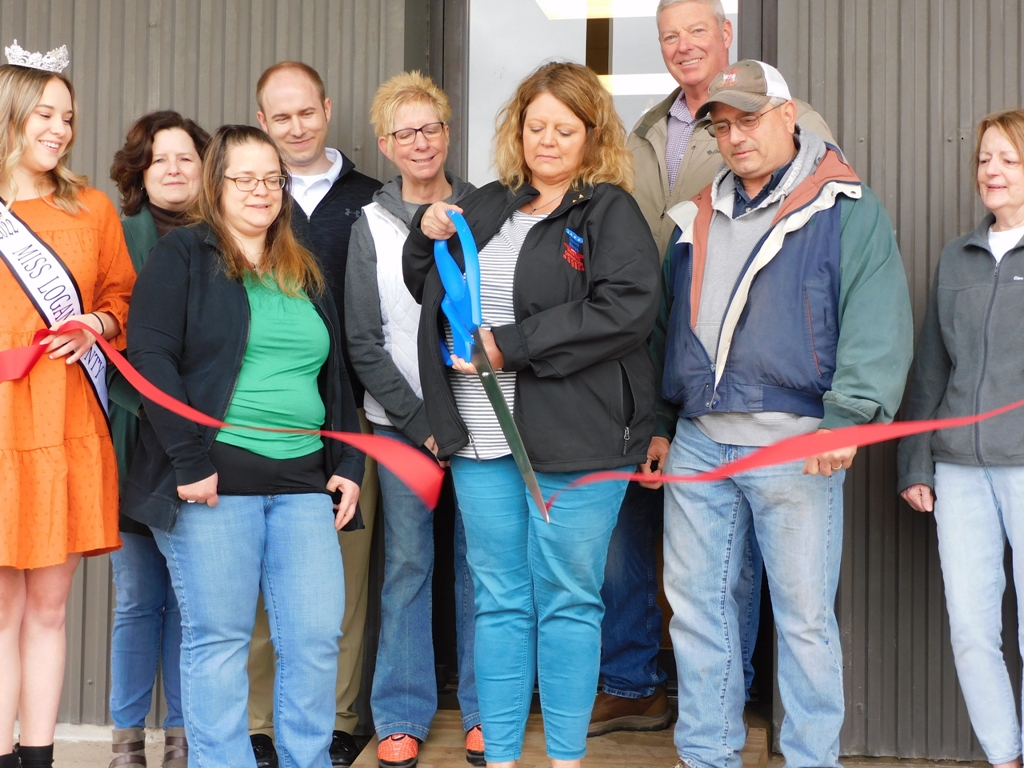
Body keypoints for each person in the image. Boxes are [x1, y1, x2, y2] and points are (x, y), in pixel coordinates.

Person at [646, 60, 913, 768]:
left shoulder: (845, 205)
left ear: (789, 115)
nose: (736, 136)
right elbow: (667, 328)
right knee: (697, 613)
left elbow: (878, 316)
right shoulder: (696, 214)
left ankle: (811, 760)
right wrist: (661, 425)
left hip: (796, 444)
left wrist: (849, 417)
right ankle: (708, 755)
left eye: (750, 119)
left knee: (802, 621)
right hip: (699, 443)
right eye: (722, 125)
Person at [592, 0, 838, 736]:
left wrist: (848, 409)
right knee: (671, 567)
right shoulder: (641, 133)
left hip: (766, 394)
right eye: (669, 36)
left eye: (697, 30)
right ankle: (651, 696)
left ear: (726, 34)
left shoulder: (801, 129)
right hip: (655, 368)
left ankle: (755, 711)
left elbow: (827, 249)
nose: (683, 45)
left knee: (774, 592)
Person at [404, 61, 660, 767]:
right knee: (498, 601)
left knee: (569, 601)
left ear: (592, 135)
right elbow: (429, 285)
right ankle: (503, 758)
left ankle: (566, 759)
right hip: (480, 438)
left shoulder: (607, 210)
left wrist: (508, 346)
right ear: (517, 130)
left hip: (577, 441)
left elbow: (627, 309)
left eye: (564, 130)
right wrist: (424, 232)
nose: (547, 141)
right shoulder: (488, 204)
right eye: (536, 126)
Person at [122, 124, 364, 768]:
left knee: (315, 638)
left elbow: (335, 374)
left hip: (303, 484)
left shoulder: (302, 265)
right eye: (245, 178)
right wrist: (190, 460)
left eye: (272, 178)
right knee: (220, 642)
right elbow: (150, 359)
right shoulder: (183, 256)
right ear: (216, 184)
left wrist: (349, 462)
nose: (261, 191)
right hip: (214, 485)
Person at [0, 55, 135, 768]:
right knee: (1, 612)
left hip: (64, 420)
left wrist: (95, 326)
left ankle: (39, 757)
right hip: (1, 423)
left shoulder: (91, 209)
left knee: (49, 609)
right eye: (45, 114)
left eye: (68, 117)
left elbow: (122, 297)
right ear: (10, 117)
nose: (60, 129)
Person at [345, 71, 481, 768]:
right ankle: (399, 714)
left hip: (482, 422)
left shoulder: (483, 211)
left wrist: (464, 418)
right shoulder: (368, 225)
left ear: (448, 133)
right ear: (386, 145)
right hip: (403, 427)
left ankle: (488, 710)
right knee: (406, 564)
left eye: (431, 128)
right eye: (406, 133)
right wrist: (421, 420)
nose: (421, 142)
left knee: (483, 566)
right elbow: (363, 341)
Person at [251, 61, 382, 768]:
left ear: (328, 108)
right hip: (265, 419)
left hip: (351, 414)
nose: (296, 127)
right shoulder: (247, 195)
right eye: (281, 117)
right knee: (262, 582)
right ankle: (259, 727)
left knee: (343, 581)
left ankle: (338, 721)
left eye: (307, 112)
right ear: (262, 122)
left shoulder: (373, 197)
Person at [897, 109, 1024, 768]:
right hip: (959, 471)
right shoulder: (958, 256)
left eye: (1009, 159)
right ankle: (1005, 758)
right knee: (972, 629)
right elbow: (931, 367)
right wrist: (915, 461)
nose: (992, 171)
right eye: (984, 159)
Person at [105, 110, 210, 768]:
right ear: (140, 173)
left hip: (202, 442)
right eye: (158, 159)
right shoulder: (117, 237)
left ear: (206, 169)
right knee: (138, 597)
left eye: (186, 158)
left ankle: (180, 739)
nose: (173, 170)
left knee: (190, 602)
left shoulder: (225, 236)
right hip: (132, 436)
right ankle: (126, 743)